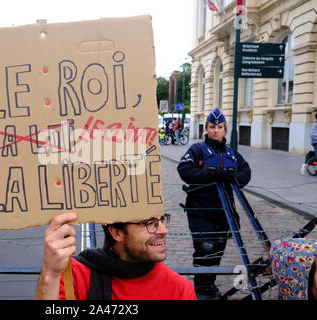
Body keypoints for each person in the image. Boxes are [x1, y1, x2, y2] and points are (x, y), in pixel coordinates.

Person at [176, 107, 251, 300]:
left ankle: (209, 285)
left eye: (219, 127)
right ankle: (201, 289)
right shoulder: (197, 149)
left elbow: (246, 173)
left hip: (224, 211)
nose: (215, 130)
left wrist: (232, 177)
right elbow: (185, 170)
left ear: (224, 129)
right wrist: (214, 174)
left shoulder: (232, 153)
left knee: (217, 248)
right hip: (200, 209)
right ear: (206, 128)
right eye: (212, 127)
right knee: (205, 247)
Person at [35, 212, 197, 300]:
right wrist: (50, 273)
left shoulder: (180, 289)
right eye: (149, 223)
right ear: (117, 233)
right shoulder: (74, 276)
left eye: (162, 220)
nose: (163, 230)